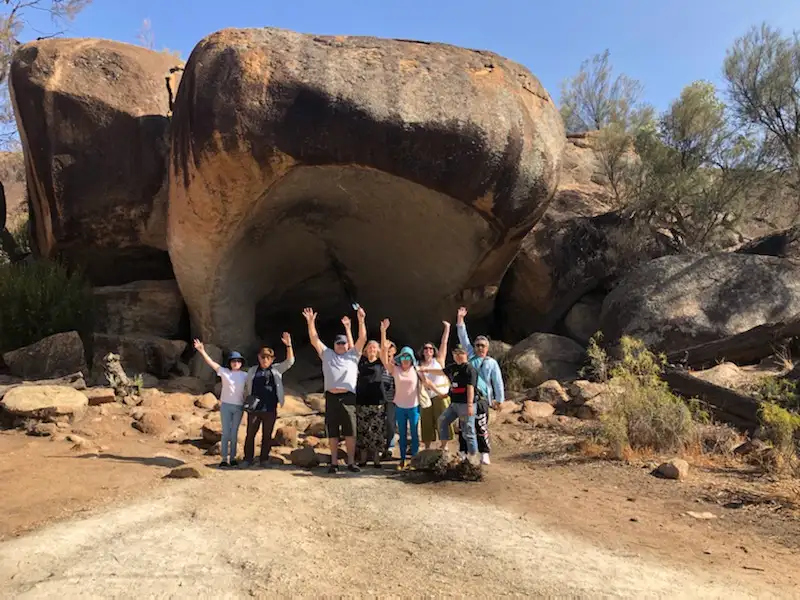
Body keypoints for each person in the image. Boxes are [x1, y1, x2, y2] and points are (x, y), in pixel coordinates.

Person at [303, 305, 367, 474]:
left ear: (347, 345)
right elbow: (314, 340)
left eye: (343, 343)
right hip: (331, 397)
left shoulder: (353, 355)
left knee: (350, 430)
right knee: (332, 431)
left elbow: (362, 338)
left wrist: (361, 320)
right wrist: (311, 322)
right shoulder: (328, 354)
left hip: (348, 398)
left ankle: (351, 462)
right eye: (338, 343)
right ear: (334, 345)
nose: (340, 345)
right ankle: (334, 463)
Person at [456, 306, 505, 465]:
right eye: (477, 345)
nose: (479, 347)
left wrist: (499, 399)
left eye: (482, 345)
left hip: (482, 399)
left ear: (487, 347)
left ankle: (484, 453)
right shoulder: (469, 355)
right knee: (464, 425)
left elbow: (497, 382)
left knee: (481, 426)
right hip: (466, 396)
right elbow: (463, 337)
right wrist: (460, 319)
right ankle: (463, 452)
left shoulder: (491, 363)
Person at [242, 333, 295, 467]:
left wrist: (288, 345)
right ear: (259, 357)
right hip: (254, 409)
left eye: (268, 357)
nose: (265, 359)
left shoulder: (276, 369)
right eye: (263, 357)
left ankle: (264, 459)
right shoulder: (252, 370)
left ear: (272, 359)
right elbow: (245, 386)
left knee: (267, 435)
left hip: (270, 408)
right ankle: (247, 459)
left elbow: (290, 362)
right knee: (250, 435)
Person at [418, 344, 479, 461]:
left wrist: (470, 405)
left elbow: (471, 387)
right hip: (454, 404)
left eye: (460, 353)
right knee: (442, 420)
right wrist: (425, 369)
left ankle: (473, 457)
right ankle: (443, 445)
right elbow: (441, 372)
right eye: (455, 354)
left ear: (465, 355)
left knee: (468, 430)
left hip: (466, 404)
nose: (457, 356)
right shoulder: (454, 367)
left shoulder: (470, 370)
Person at [193, 340, 247, 468]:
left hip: (239, 406)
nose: (236, 363)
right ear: (230, 363)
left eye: (238, 361)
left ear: (241, 363)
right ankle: (224, 459)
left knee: (234, 433)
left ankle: (232, 458)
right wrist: (202, 350)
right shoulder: (224, 372)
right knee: (226, 433)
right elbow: (211, 363)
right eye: (234, 361)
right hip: (226, 406)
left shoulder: (245, 375)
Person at [379, 319, 421, 470]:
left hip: (414, 406)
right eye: (403, 357)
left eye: (408, 357)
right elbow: (383, 358)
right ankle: (402, 459)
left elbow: (430, 380)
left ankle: (415, 460)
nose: (405, 360)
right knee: (402, 434)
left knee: (414, 434)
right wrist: (383, 332)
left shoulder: (417, 370)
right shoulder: (395, 369)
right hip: (400, 406)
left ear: (412, 359)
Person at [418, 321, 455, 449]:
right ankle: (427, 447)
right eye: (426, 348)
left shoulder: (439, 361)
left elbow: (444, 343)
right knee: (426, 421)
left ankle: (444, 445)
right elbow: (425, 383)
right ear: (422, 351)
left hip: (442, 395)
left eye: (430, 348)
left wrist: (447, 328)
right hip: (429, 396)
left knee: (443, 419)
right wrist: (440, 394)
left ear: (433, 351)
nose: (428, 350)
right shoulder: (420, 366)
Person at [355, 340, 387, 468]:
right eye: (369, 347)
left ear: (378, 350)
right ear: (366, 350)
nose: (372, 349)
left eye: (374, 347)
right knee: (363, 430)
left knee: (377, 430)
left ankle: (376, 459)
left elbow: (384, 350)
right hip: (362, 400)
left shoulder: (381, 363)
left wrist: (383, 331)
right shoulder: (361, 362)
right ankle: (363, 459)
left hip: (377, 400)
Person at [381, 339, 397, 460]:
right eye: (386, 348)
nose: (388, 351)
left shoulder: (398, 364)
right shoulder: (379, 363)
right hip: (379, 398)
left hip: (393, 398)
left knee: (391, 423)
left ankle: (390, 447)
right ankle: (380, 447)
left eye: (391, 348)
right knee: (380, 423)